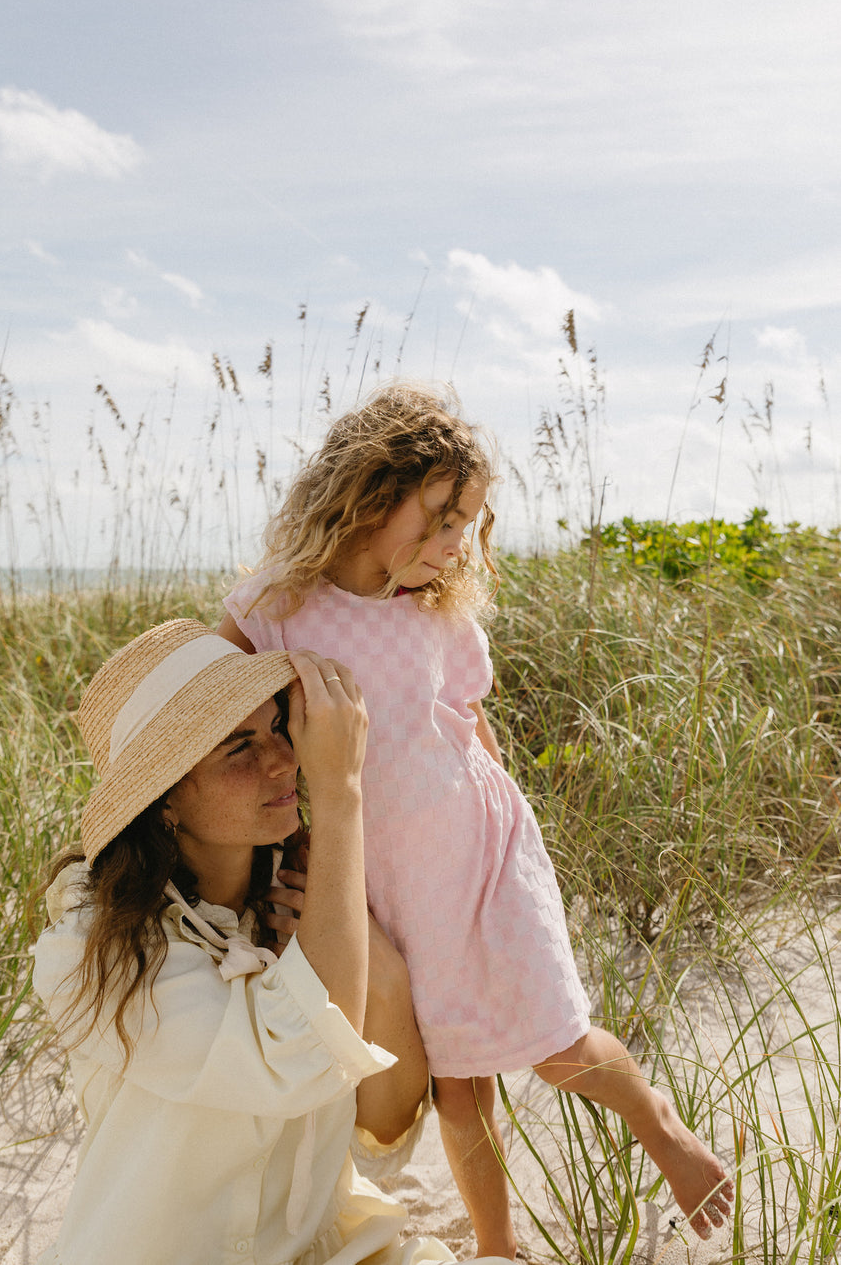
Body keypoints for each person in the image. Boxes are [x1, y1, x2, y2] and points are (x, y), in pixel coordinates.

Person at [217, 382, 735, 1258]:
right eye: (444, 519)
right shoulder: (278, 606)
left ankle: (661, 1126)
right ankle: (497, 1248)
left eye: (469, 525)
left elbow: (469, 725)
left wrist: (515, 851)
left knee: (556, 1048)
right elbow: (216, 713)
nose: (460, 545)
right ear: (370, 497)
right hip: (378, 882)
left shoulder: (436, 611)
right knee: (459, 1089)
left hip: (478, 856)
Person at [32, 618, 491, 1265]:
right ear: (164, 801)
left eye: (278, 727)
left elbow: (382, 1130)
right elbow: (298, 1060)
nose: (283, 761)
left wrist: (380, 971)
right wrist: (339, 792)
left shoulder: (305, 899)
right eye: (237, 747)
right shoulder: (91, 949)